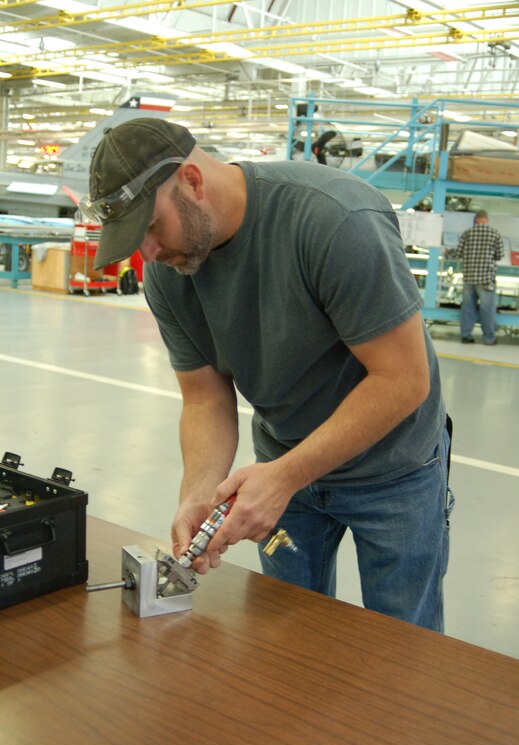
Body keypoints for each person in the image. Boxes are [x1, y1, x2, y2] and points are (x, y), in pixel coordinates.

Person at [83, 118, 454, 631]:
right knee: (288, 638)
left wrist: (285, 477)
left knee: (402, 642)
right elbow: (205, 399)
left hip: (393, 470)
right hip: (282, 462)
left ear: (192, 180)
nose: (147, 253)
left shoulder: (334, 220)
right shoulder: (169, 273)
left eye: (150, 227)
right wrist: (199, 493)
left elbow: (404, 379)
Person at [454, 210, 504, 345]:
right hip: (486, 278)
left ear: (476, 220)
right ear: (486, 220)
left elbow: (458, 253)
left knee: (468, 307)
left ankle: (466, 336)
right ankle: (489, 338)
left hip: (469, 277)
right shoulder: (494, 234)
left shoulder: (467, 233)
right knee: (487, 309)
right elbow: (499, 255)